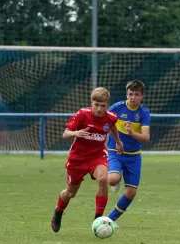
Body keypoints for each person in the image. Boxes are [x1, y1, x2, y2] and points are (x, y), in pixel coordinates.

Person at [51, 87, 124, 233]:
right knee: (70, 193)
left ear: (107, 105)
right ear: (92, 103)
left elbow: (112, 126)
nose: (98, 109)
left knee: (103, 178)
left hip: (97, 156)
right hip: (77, 159)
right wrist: (76, 132)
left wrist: (118, 141)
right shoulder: (82, 115)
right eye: (96, 105)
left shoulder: (111, 117)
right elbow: (65, 134)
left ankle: (98, 218)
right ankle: (58, 211)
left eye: (102, 106)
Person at [106, 80, 150, 224]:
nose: (133, 97)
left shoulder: (143, 112)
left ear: (141, 96)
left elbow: (146, 138)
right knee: (112, 179)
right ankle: (116, 178)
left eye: (136, 94)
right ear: (126, 94)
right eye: (130, 94)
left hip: (134, 156)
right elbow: (105, 126)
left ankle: (110, 220)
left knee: (131, 192)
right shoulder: (116, 108)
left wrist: (132, 133)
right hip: (115, 151)